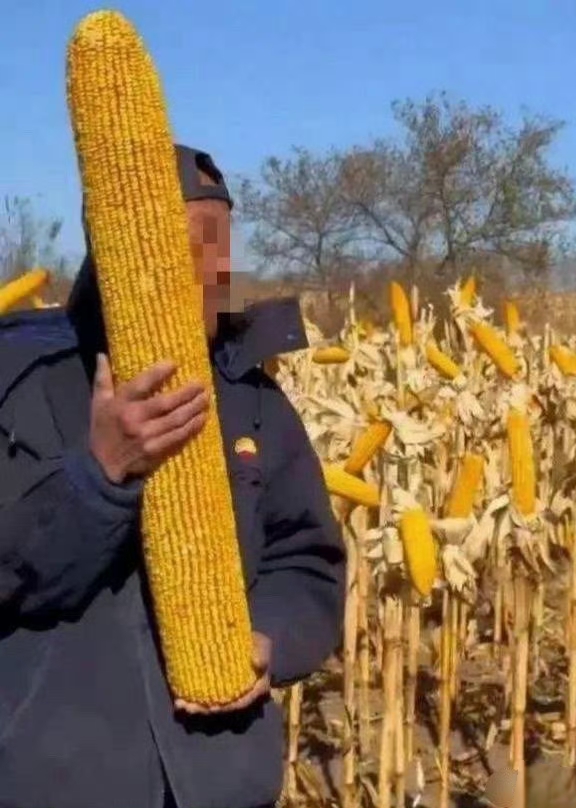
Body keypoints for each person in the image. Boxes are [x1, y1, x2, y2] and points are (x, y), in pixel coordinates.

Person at [0, 144, 346, 808]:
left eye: (220, 248)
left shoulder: (251, 401)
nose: (212, 271)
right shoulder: (19, 386)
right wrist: (98, 474)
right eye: (187, 247)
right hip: (58, 783)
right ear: (116, 256)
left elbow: (306, 557)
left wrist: (267, 637)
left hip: (220, 782)